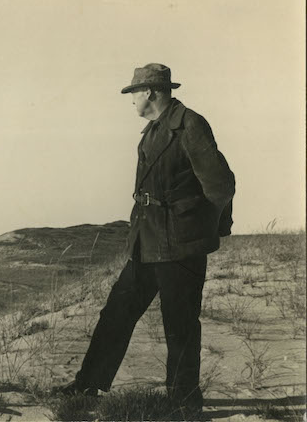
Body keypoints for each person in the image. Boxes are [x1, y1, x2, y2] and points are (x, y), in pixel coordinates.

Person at [57, 63, 235, 416]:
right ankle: (89, 386)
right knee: (116, 314)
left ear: (151, 92)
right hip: (147, 243)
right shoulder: (155, 129)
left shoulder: (190, 125)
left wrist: (207, 230)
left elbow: (221, 185)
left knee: (180, 326)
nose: (131, 100)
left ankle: (184, 404)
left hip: (181, 247)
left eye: (134, 93)